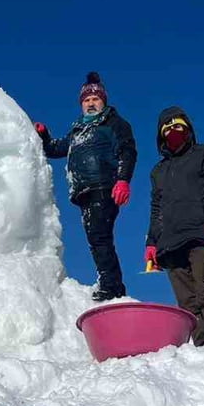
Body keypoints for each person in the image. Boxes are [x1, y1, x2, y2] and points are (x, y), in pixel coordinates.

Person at [35, 72, 137, 300]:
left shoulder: (113, 124)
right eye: (86, 100)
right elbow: (55, 149)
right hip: (84, 192)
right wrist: (43, 135)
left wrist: (122, 180)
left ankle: (111, 287)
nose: (91, 104)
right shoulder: (77, 130)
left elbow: (127, 151)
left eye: (95, 99)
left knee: (100, 237)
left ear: (103, 101)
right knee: (96, 238)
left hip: (104, 186)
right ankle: (111, 284)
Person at [144, 107, 204, 349]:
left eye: (178, 126)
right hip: (170, 245)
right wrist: (151, 242)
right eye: (167, 128)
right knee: (187, 303)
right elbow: (157, 208)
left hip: (200, 235)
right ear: (161, 136)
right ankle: (202, 349)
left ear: (188, 129)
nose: (173, 131)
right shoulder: (159, 171)